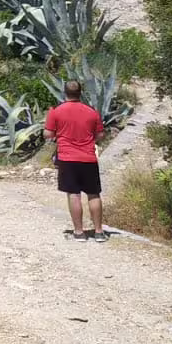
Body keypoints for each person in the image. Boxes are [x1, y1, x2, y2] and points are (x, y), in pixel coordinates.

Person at [45, 80, 106, 241]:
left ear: (64, 92)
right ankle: (99, 231)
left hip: (67, 158)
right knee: (94, 194)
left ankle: (79, 232)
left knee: (74, 194)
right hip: (89, 158)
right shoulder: (92, 112)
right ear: (81, 93)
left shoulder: (56, 111)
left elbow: (48, 134)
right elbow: (100, 135)